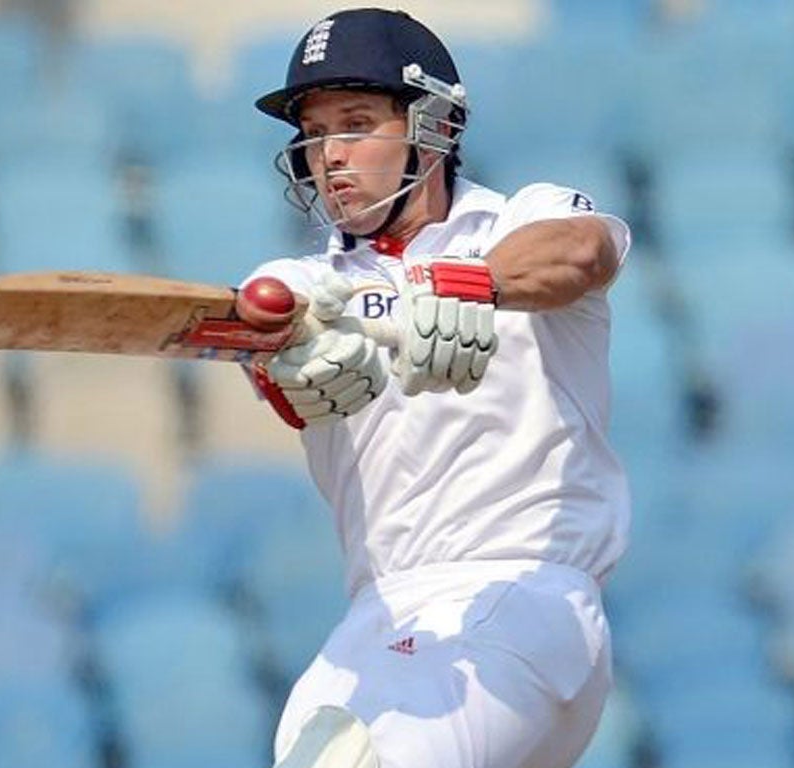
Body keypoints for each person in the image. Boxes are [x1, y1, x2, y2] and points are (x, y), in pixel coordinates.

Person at [241, 8, 632, 768]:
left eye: (355, 124)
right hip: (378, 612)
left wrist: (461, 286)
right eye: (313, 134)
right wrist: (286, 350)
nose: (330, 157)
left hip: (525, 597)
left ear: (437, 127)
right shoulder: (304, 282)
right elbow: (271, 331)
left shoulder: (525, 219)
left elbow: (582, 255)